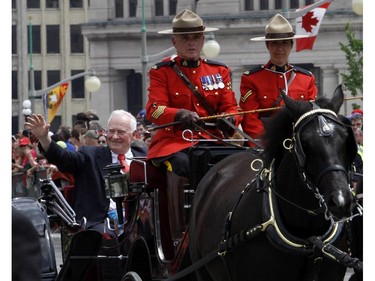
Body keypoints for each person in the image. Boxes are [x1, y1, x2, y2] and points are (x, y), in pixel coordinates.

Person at [145, 9, 241, 244]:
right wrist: (178, 114)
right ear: (174, 41)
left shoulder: (219, 71)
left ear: (202, 40)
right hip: (174, 143)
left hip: (213, 140)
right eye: (185, 38)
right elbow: (154, 110)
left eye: (196, 37)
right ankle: (182, 233)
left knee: (241, 163)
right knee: (182, 165)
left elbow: (233, 108)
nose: (191, 43)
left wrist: (228, 120)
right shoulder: (161, 72)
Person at [25, 110, 147, 234]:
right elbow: (64, 158)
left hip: (140, 220)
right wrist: (44, 139)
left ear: (134, 134)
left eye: (120, 132)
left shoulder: (145, 157)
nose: (114, 136)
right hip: (100, 223)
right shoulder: (90, 155)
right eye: (111, 131)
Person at [239, 13, 318, 145]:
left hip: (301, 144)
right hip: (267, 145)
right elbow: (251, 120)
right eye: (275, 44)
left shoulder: (306, 78)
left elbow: (312, 115)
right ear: (267, 46)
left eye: (285, 43)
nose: (280, 48)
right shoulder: (252, 78)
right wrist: (266, 145)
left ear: (291, 46)